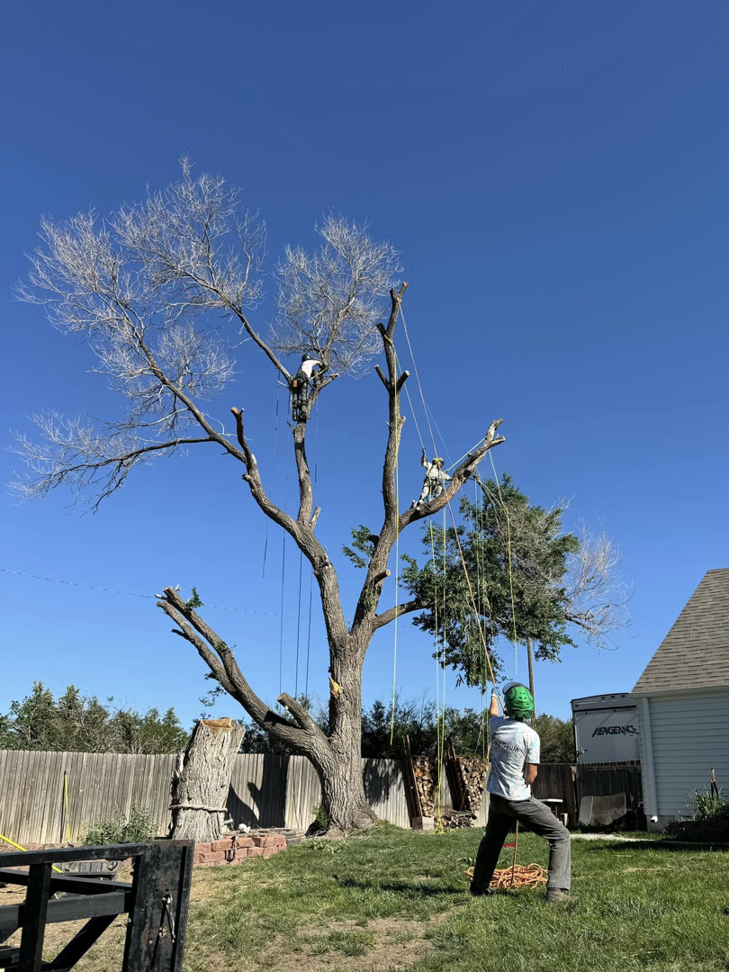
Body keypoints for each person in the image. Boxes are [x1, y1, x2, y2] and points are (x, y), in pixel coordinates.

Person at [470, 682, 572, 903]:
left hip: (496, 799)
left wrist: (494, 696)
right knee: (560, 835)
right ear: (529, 710)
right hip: (518, 800)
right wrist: (524, 782)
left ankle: (478, 886)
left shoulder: (496, 726)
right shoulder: (531, 736)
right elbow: (531, 776)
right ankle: (556, 891)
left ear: (509, 707)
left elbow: (493, 712)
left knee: (492, 840)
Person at [290, 353, 323, 422]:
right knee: (303, 395)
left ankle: (294, 414)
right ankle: (303, 412)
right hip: (303, 379)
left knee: (295, 396)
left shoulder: (301, 366)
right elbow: (318, 362)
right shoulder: (309, 362)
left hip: (295, 380)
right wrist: (323, 364)